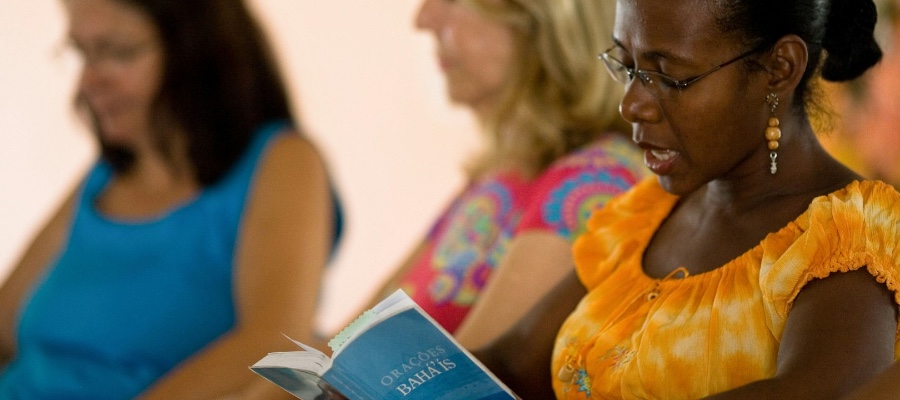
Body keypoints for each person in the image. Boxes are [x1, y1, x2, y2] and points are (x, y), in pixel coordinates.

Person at [475, 0, 900, 398]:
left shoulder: (849, 236)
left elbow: (824, 392)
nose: (632, 104)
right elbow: (511, 362)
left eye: (668, 77)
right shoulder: (645, 216)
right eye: (627, 67)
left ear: (779, 68)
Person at [0, 0, 342, 398]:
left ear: (198, 49)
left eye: (119, 52)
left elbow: (278, 344)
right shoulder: (102, 179)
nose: (90, 80)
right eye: (82, 53)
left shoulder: (281, 161)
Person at [357, 0, 647, 350]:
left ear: (545, 18)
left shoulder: (591, 184)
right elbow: (344, 346)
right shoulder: (498, 177)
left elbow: (465, 386)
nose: (423, 19)